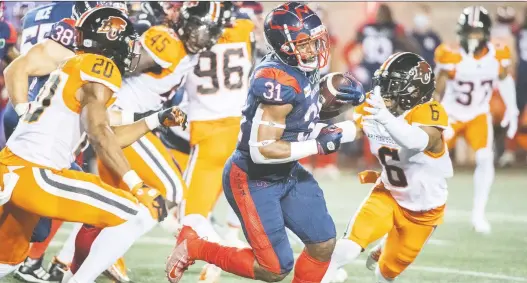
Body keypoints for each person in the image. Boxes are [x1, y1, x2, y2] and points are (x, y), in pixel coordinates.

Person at [165, 3, 365, 283]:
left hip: (287, 172)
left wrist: (344, 116)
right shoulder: (277, 79)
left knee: (322, 244)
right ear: (283, 46)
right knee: (274, 269)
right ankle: (196, 247)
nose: (312, 50)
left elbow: (299, 120)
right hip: (252, 178)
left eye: (316, 41)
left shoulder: (300, 66)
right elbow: (262, 150)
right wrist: (317, 144)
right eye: (304, 43)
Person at [0, 6, 186, 282]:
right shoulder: (101, 68)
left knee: (5, 262)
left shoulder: (74, 64)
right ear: (111, 39)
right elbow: (99, 133)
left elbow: (107, 129)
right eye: (128, 41)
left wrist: (155, 120)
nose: (132, 49)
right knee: (137, 213)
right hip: (39, 175)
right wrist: (137, 184)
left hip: (13, 168)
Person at [322, 52, 451, 283]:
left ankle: (385, 246)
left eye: (393, 86)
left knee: (385, 273)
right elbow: (356, 127)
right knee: (349, 247)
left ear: (413, 91)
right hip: (388, 193)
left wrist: (386, 119)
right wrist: (319, 134)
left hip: (423, 211)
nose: (384, 93)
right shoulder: (379, 107)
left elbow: (417, 141)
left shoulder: (430, 112)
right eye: (383, 84)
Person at [434, 6, 518, 234]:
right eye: (469, 32)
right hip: (450, 114)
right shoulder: (448, 53)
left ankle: (478, 215)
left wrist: (512, 109)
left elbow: (504, 79)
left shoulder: (498, 53)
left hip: (478, 114)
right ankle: (424, 209)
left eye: (477, 33)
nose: (473, 38)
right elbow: (436, 89)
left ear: (487, 33)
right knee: (430, 162)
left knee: (484, 157)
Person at [342, 4, 421, 89]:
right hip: (383, 71)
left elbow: (348, 50)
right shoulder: (396, 28)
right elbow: (413, 49)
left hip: (372, 71)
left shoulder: (365, 27)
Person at [410, 4, 441, 70]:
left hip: (430, 72)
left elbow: (440, 55)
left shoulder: (434, 37)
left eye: (423, 15)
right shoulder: (410, 37)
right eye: (419, 14)